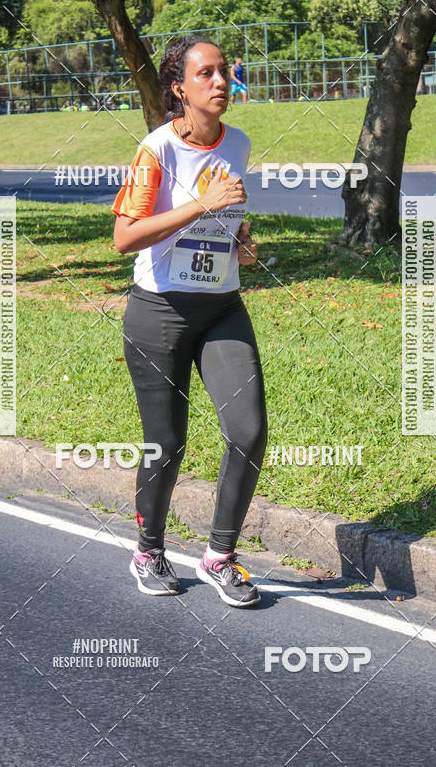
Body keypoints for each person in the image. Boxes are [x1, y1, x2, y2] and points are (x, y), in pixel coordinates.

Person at [112, 35, 268, 607]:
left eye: (225, 71)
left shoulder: (240, 143)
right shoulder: (157, 151)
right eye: (206, 74)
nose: (221, 82)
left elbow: (232, 227)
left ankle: (218, 557)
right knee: (167, 442)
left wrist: (243, 245)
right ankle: (148, 549)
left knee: (248, 432)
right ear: (179, 89)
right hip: (160, 312)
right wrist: (200, 205)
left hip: (222, 306)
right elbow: (123, 237)